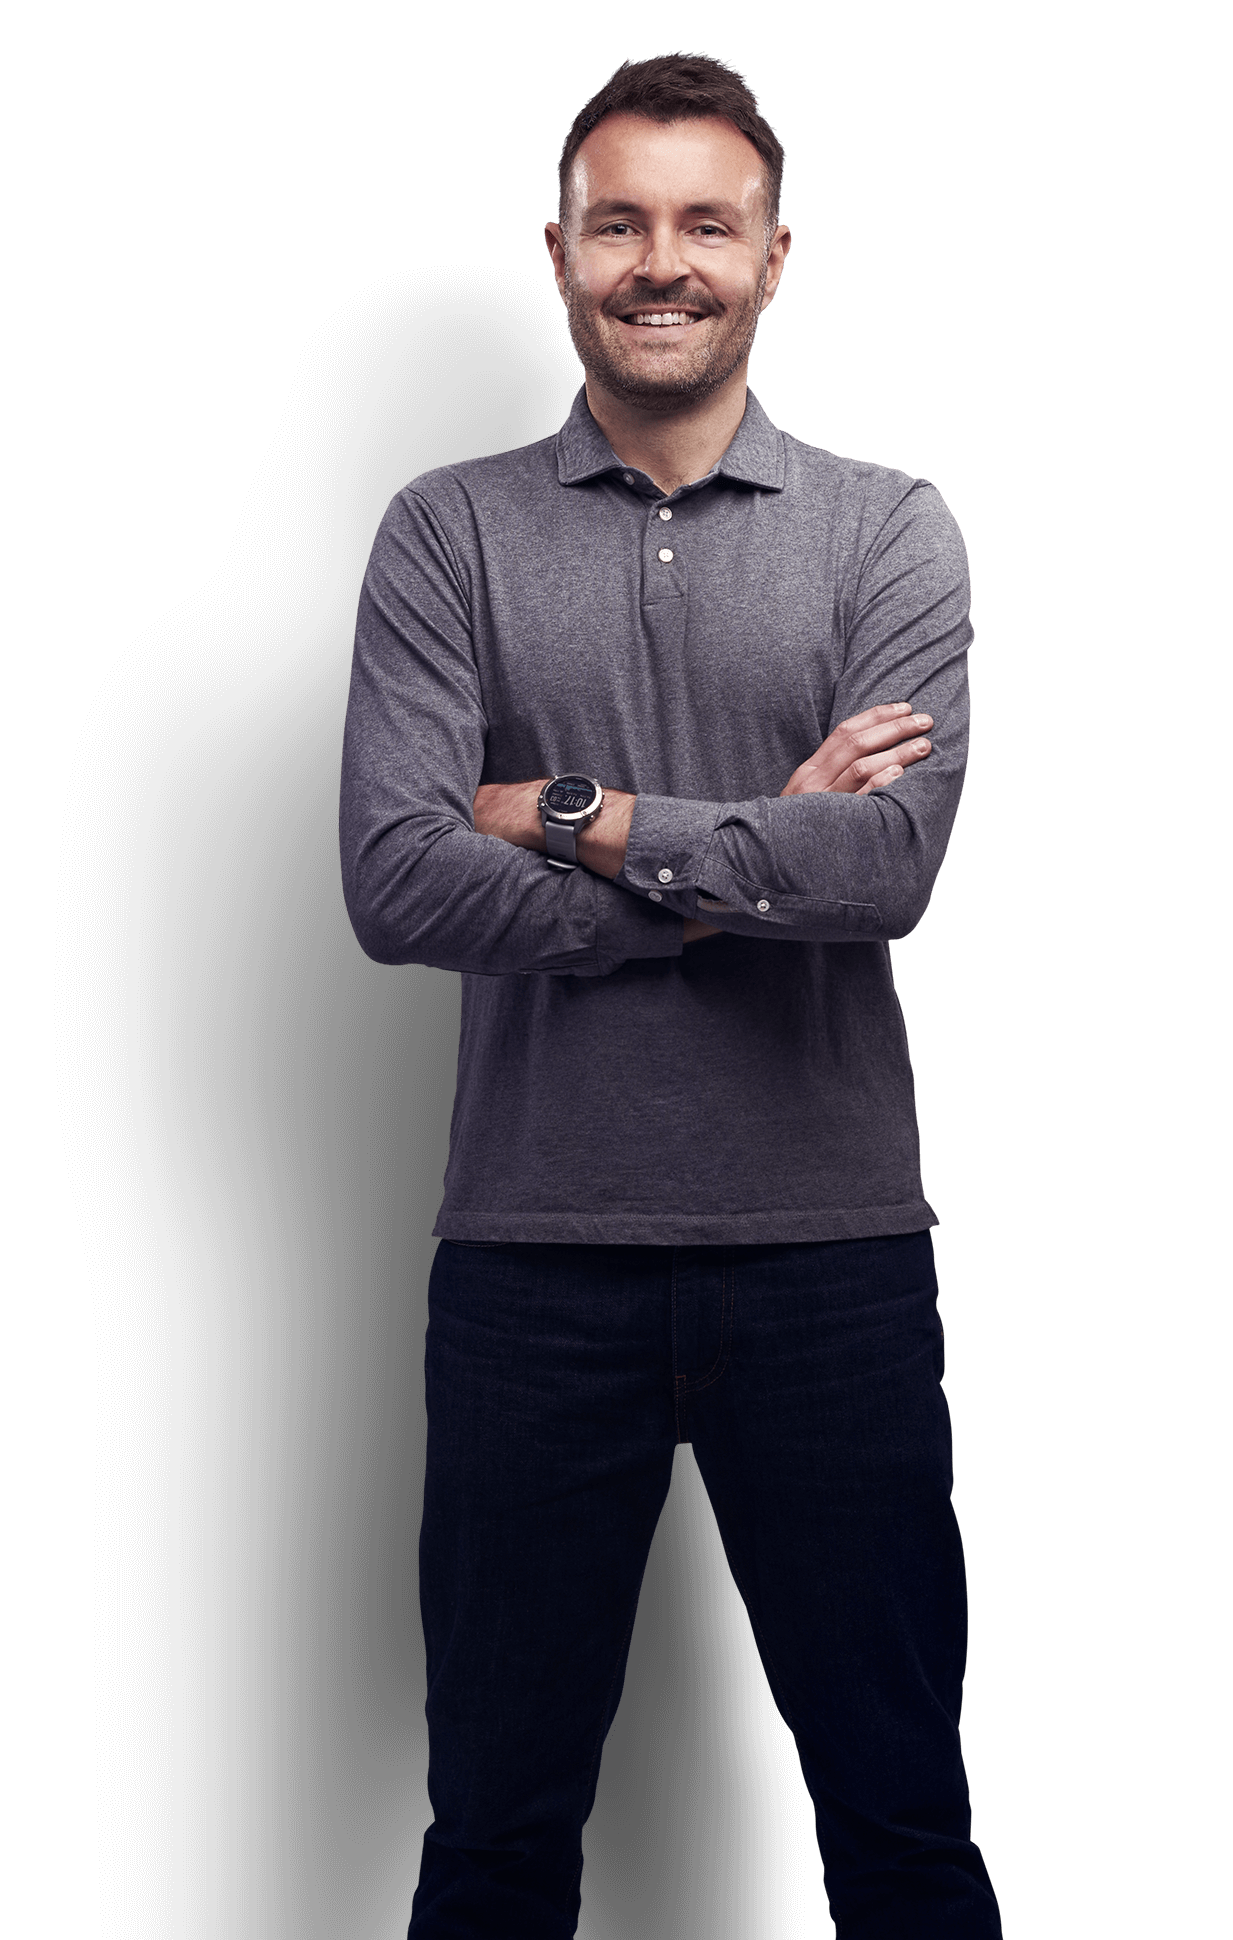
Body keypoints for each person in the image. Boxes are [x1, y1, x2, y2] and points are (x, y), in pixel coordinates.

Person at [340, 52, 1000, 1940]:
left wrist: (567, 815)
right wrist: (744, 872)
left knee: (904, 1830)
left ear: (773, 259)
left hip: (835, 1258)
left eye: (708, 222)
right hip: (530, 1256)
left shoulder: (889, 526)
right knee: (491, 1844)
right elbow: (395, 885)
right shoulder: (446, 529)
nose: (662, 261)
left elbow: (886, 873)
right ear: (557, 256)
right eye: (618, 221)